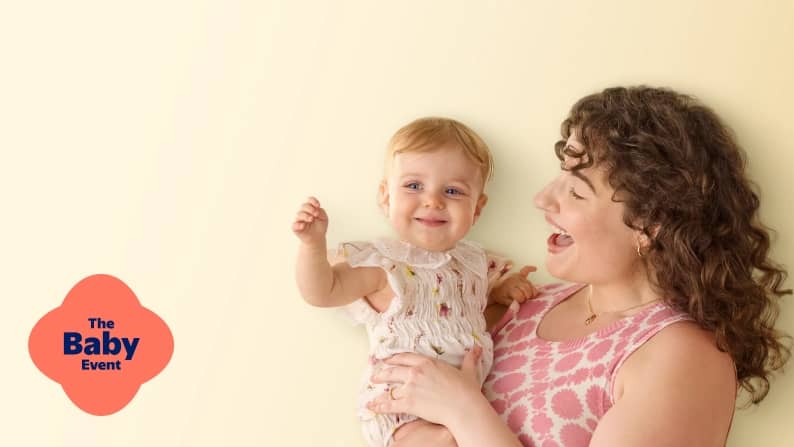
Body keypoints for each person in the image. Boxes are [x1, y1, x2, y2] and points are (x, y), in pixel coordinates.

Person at [365, 86, 791, 447]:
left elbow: (454, 409)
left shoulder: (682, 359)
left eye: (577, 191)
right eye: (560, 174)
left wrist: (464, 411)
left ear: (648, 225)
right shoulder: (526, 304)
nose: (543, 199)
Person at [292, 117, 537, 446]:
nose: (432, 201)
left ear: (477, 208)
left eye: (452, 191)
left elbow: (480, 302)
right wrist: (312, 246)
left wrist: (503, 291)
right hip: (402, 406)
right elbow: (324, 291)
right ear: (385, 196)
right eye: (413, 186)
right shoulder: (386, 267)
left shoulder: (476, 264)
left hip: (463, 399)